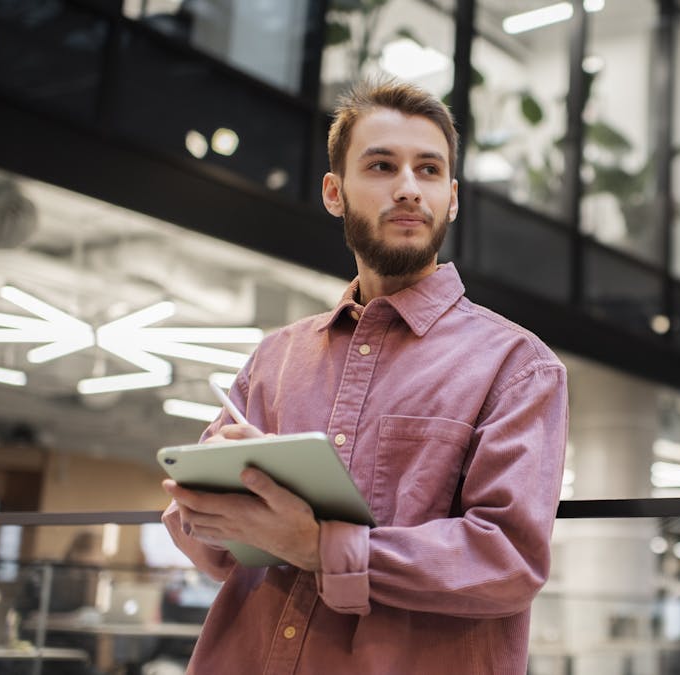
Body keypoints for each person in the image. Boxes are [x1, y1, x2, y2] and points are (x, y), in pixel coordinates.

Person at [161, 78, 569, 674]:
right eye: (381, 166)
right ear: (334, 191)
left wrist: (315, 545)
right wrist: (216, 508)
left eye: (428, 171)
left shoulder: (517, 366)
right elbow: (200, 537)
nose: (408, 188)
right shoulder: (276, 357)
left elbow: (507, 562)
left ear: (452, 198)